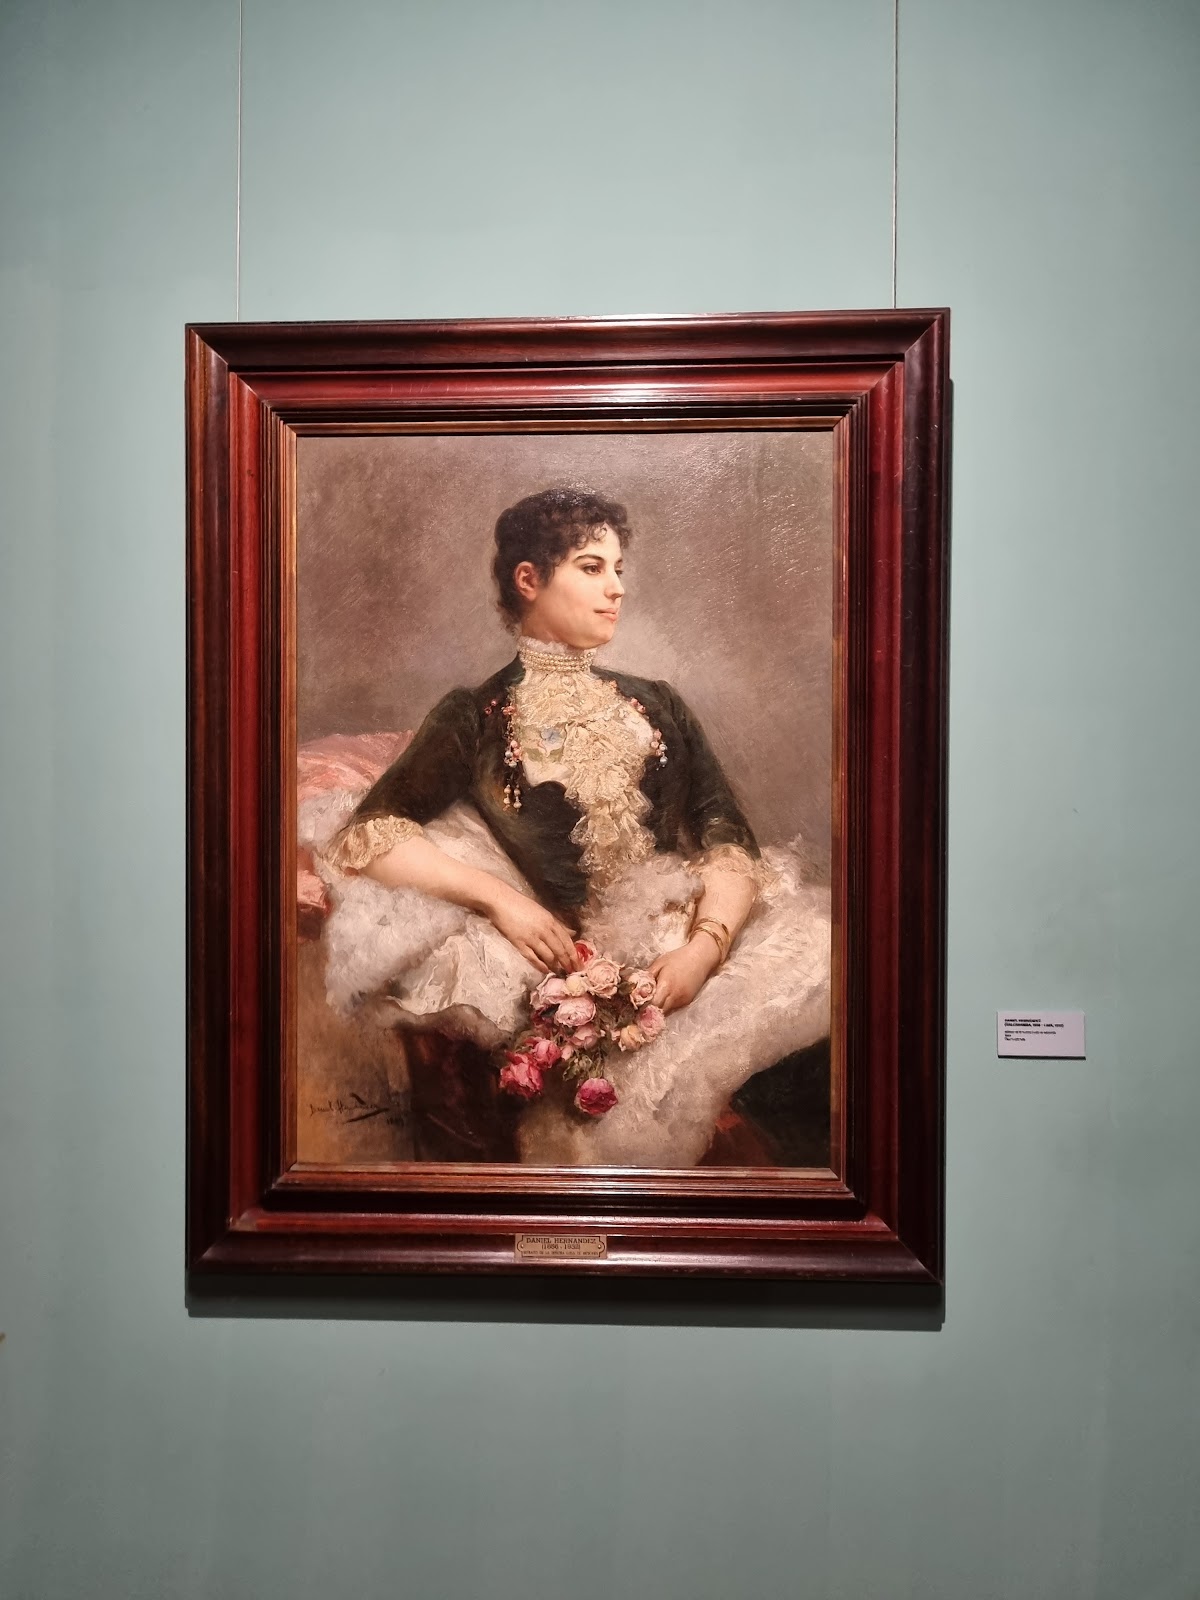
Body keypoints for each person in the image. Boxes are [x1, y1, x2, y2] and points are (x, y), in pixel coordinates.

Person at [315, 488, 830, 1166]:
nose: (617, 589)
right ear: (528, 580)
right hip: (589, 974)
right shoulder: (477, 716)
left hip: (700, 942)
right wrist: (500, 899)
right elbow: (372, 832)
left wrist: (704, 950)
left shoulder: (658, 703)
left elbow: (726, 835)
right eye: (592, 568)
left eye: (619, 569)